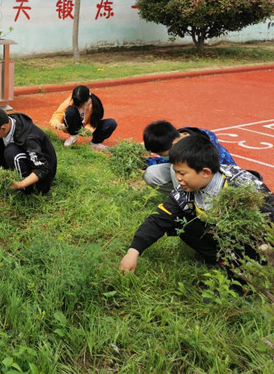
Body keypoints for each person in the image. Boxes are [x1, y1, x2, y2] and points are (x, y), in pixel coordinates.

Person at [119, 134, 274, 284]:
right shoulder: (185, 190)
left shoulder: (240, 186)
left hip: (253, 238)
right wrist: (134, 250)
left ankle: (243, 281)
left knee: (251, 243)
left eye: (182, 173)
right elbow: (159, 218)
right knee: (179, 222)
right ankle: (219, 259)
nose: (178, 178)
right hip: (220, 233)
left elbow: (268, 216)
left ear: (205, 172)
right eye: (176, 172)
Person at [0, 106, 57, 195]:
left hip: (42, 173)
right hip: (22, 155)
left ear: (3, 128)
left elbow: (42, 169)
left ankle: (26, 189)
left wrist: (20, 185)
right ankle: (14, 173)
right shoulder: (6, 121)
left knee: (10, 152)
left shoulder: (29, 138)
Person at [143, 120, 236, 193]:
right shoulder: (177, 138)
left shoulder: (203, 148)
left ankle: (186, 203)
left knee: (175, 167)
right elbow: (163, 160)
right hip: (194, 178)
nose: (161, 157)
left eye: (162, 155)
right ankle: (180, 197)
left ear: (174, 144)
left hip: (219, 183)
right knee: (151, 173)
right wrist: (143, 162)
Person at [49, 85, 117, 150]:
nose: (79, 106)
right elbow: (57, 115)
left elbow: (95, 121)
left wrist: (87, 129)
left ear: (87, 100)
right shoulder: (70, 101)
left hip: (88, 126)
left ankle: (94, 143)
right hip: (73, 125)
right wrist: (57, 124)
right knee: (70, 112)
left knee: (111, 123)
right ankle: (73, 136)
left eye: (81, 104)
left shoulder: (95, 104)